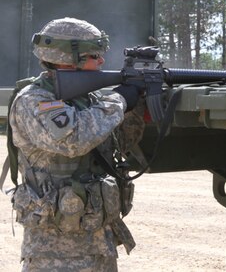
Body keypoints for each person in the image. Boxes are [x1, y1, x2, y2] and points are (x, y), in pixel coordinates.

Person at [8, 17, 146, 271]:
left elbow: (117, 144)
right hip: (55, 251)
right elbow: (74, 141)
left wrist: (138, 105)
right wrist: (118, 102)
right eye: (94, 55)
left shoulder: (89, 98)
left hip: (97, 242)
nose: (102, 61)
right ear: (69, 58)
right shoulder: (34, 100)